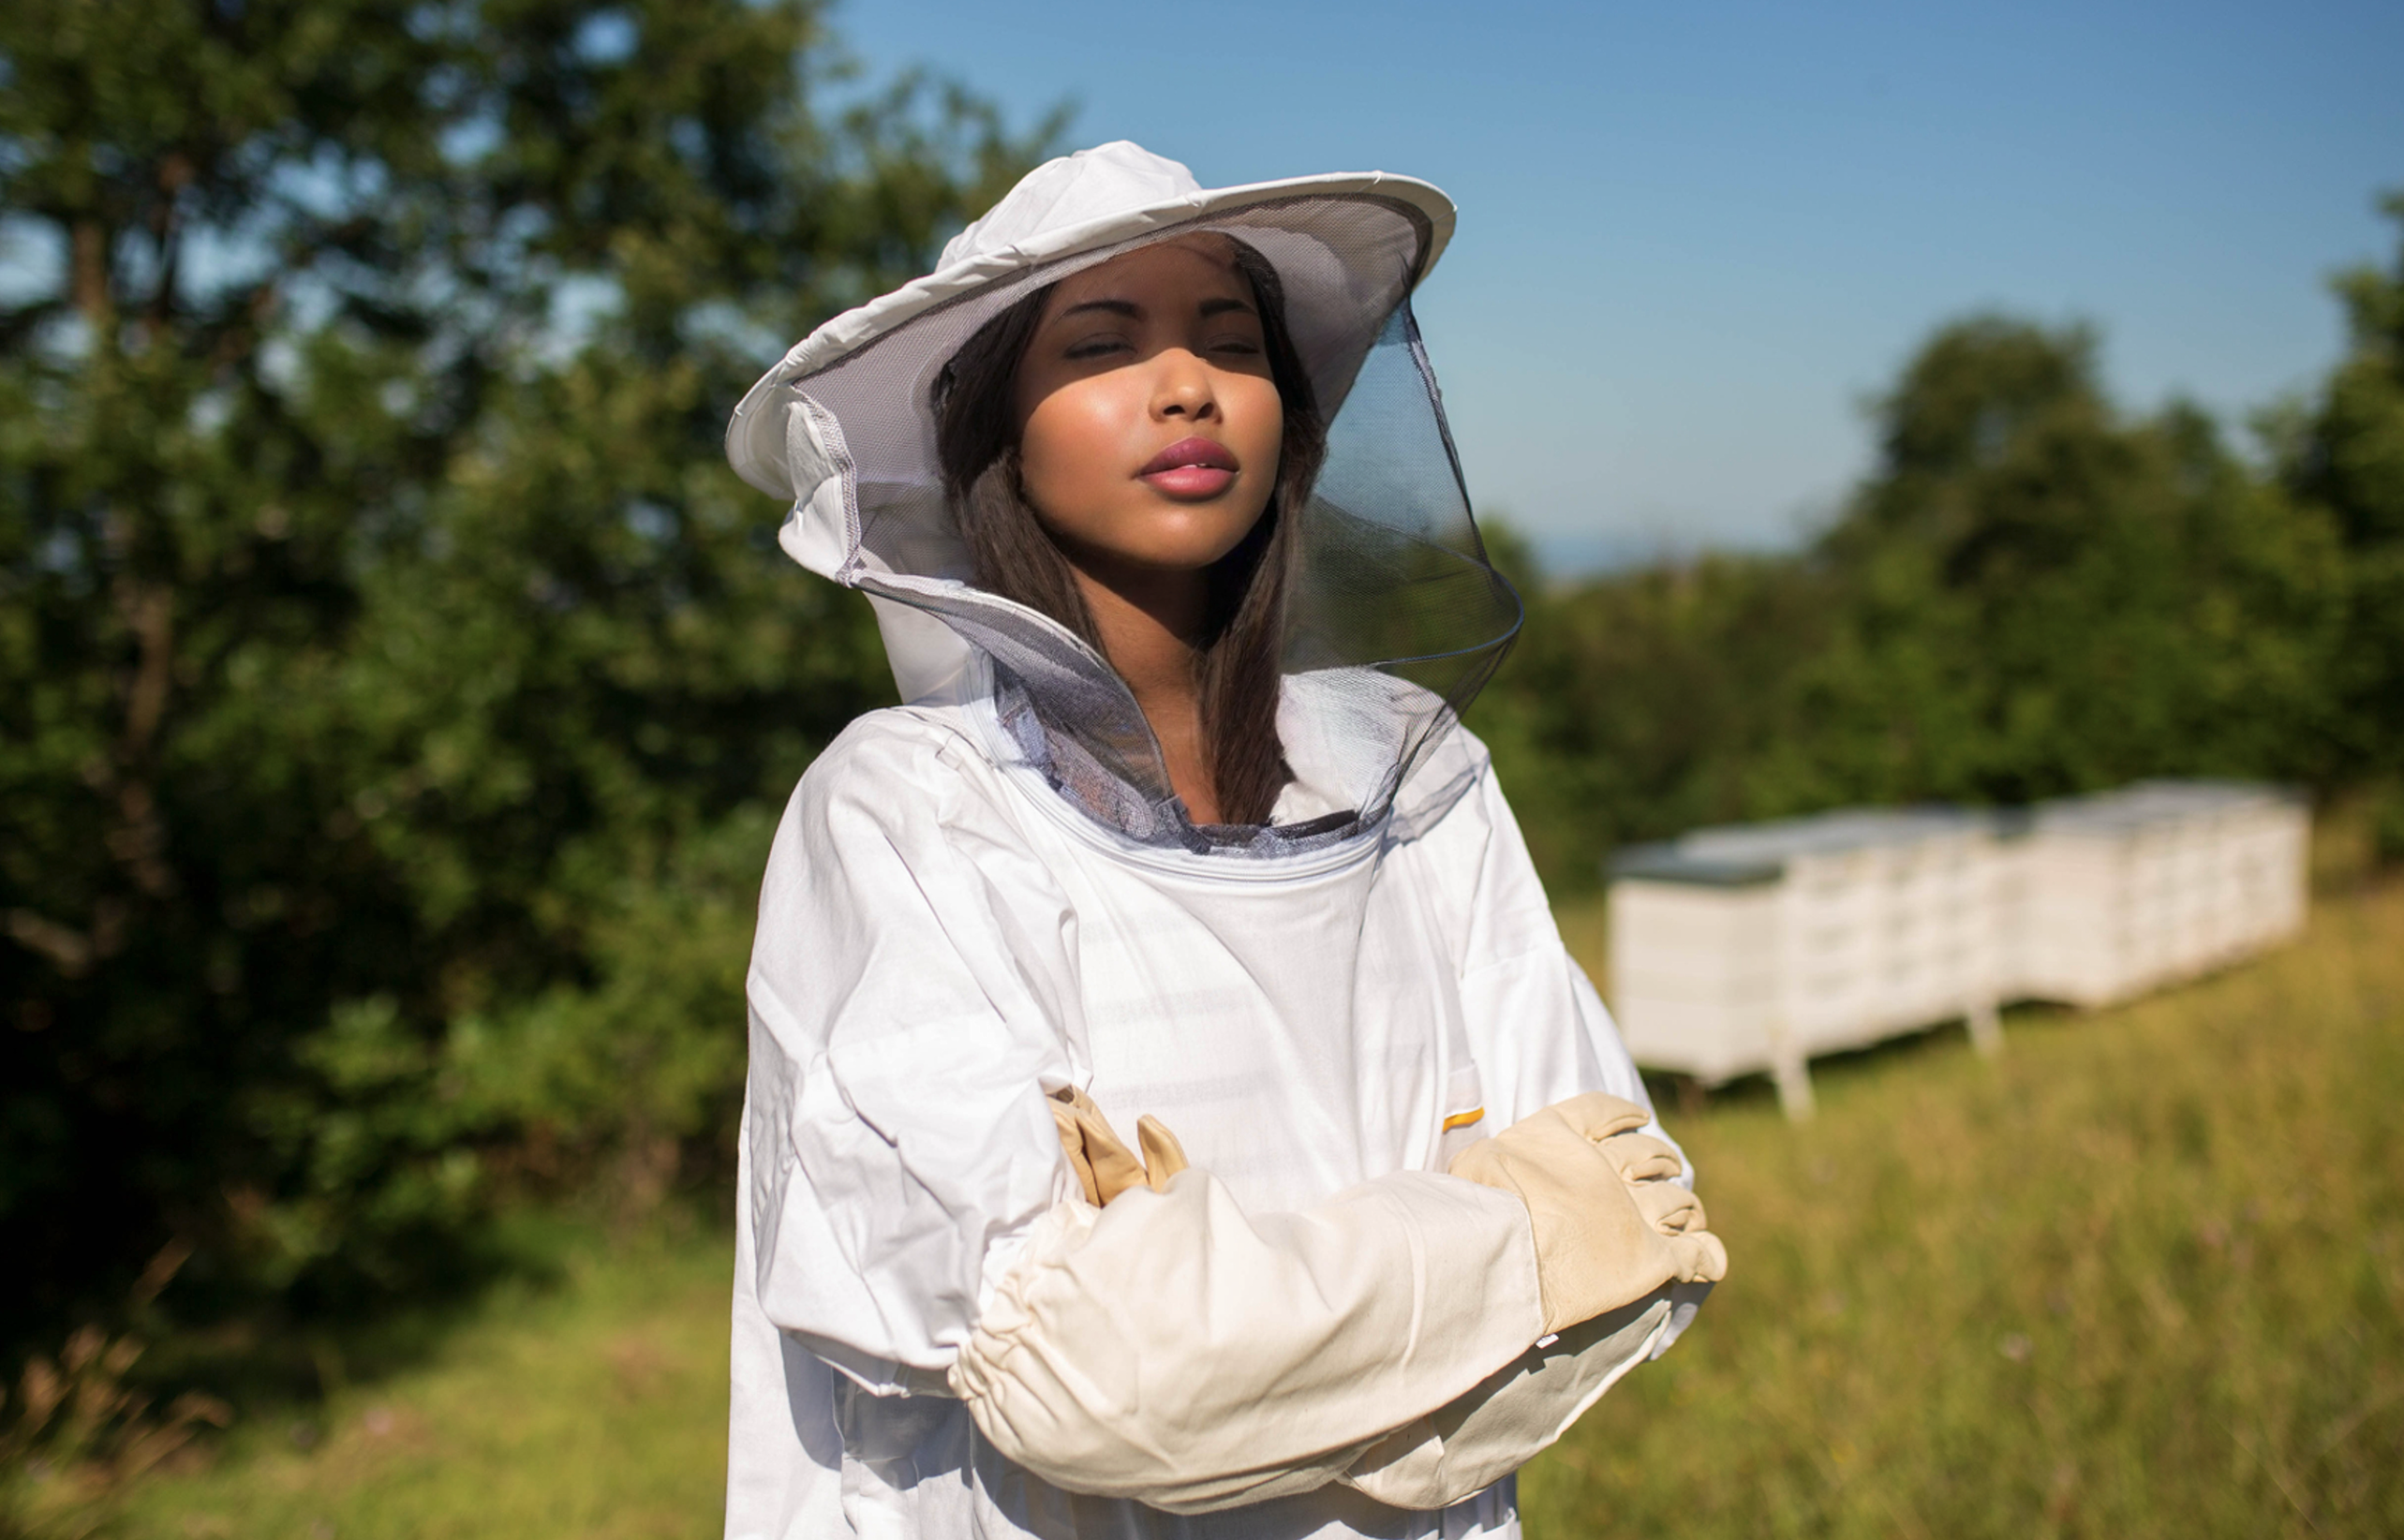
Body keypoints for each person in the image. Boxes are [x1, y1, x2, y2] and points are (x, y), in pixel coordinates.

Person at [721, 141, 1728, 1540]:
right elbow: (1096, 1375)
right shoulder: (908, 811)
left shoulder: (1411, 773)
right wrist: (1503, 1244)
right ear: (992, 430)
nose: (1187, 384)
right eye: (1101, 340)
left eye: (1229, 339)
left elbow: (1638, 1226)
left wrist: (1229, 1297)